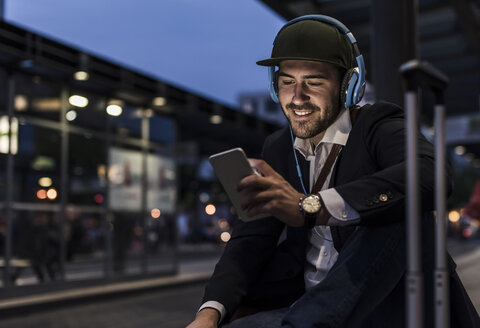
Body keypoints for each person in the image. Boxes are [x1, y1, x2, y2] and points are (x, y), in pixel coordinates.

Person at [186, 15, 479, 328]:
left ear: (348, 85)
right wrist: (208, 314)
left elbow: (430, 174)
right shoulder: (278, 147)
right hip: (299, 309)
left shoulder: (378, 126)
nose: (297, 97)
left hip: (386, 312)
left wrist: (311, 208)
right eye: (287, 82)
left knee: (400, 206)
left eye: (313, 82)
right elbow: (249, 239)